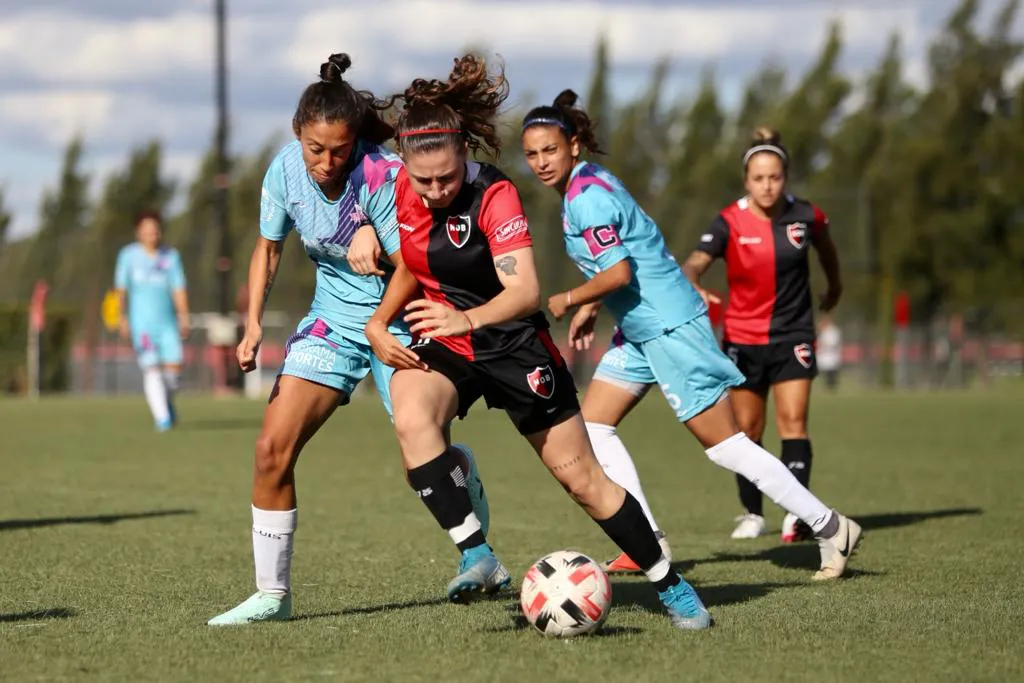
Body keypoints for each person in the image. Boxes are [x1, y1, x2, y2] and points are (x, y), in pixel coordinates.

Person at [366, 55, 712, 630]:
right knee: (411, 418)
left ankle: (670, 585)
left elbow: (526, 290)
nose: (433, 191)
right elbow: (414, 261)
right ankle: (477, 554)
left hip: (511, 345)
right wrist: (380, 322)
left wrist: (466, 320)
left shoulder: (495, 193)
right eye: (422, 180)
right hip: (450, 340)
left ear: (464, 155)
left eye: (445, 178)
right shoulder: (404, 187)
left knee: (583, 480)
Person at [520, 91, 860, 582]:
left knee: (726, 447)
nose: (540, 162)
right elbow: (630, 253)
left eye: (549, 150)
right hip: (642, 328)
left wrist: (571, 299)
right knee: (593, 426)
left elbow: (616, 272)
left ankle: (831, 526)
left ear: (573, 146)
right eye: (531, 154)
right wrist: (594, 305)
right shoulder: (591, 182)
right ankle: (646, 541)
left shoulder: (586, 198)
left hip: (669, 327)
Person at [208, 54, 488, 626]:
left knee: (423, 455)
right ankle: (272, 595)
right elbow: (268, 246)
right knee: (270, 449)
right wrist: (254, 323)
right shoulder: (284, 170)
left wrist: (379, 251)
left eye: (338, 149)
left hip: (402, 317)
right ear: (298, 134)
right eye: (316, 149)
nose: (327, 162)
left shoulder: (384, 176)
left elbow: (416, 261)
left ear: (354, 140)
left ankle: (479, 555)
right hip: (332, 322)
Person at [682, 127, 844, 543]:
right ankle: (752, 513)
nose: (767, 185)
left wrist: (835, 285)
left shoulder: (807, 216)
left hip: (794, 334)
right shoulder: (729, 220)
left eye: (774, 177)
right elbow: (696, 260)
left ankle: (798, 515)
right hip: (742, 339)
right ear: (746, 180)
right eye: (758, 178)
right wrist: (694, 278)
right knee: (748, 432)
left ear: (785, 176)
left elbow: (827, 250)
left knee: (793, 423)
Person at [114, 211, 190, 432]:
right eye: (146, 230)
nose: (151, 234)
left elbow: (178, 289)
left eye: (155, 229)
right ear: (138, 232)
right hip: (142, 326)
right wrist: (122, 318)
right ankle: (163, 419)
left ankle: (165, 402)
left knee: (173, 375)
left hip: (167, 324)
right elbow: (120, 290)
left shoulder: (171, 257)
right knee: (152, 369)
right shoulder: (128, 256)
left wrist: (184, 316)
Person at [817, 315, 842, 391]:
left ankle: (831, 386)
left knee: (831, 372)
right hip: (823, 355)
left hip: (831, 355)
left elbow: (834, 342)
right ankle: (827, 385)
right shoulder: (821, 331)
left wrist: (824, 343)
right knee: (823, 372)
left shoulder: (834, 331)